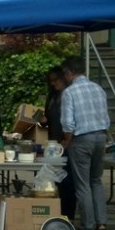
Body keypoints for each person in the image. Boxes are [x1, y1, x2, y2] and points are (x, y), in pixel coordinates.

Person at [60, 56, 110, 230]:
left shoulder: (69, 92)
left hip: (82, 139)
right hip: (101, 136)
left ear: (69, 73)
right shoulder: (98, 89)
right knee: (96, 180)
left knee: (82, 185)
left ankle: (87, 228)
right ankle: (101, 223)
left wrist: (67, 141)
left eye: (65, 74)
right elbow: (105, 116)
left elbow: (68, 123)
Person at [39, 66, 77, 220]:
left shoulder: (69, 95)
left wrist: (67, 139)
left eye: (56, 80)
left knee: (68, 179)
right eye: (51, 81)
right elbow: (48, 119)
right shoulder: (52, 96)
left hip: (67, 141)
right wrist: (43, 121)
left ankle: (68, 214)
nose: (53, 83)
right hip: (54, 143)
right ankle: (58, 211)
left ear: (63, 78)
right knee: (56, 178)